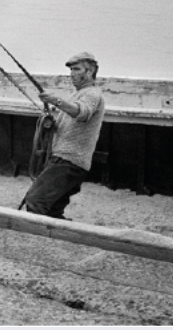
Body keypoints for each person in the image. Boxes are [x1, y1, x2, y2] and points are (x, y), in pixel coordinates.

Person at [23, 52, 106, 219]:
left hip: (68, 161)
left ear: (89, 72)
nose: (72, 74)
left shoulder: (92, 94)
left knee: (35, 201)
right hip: (67, 161)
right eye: (71, 70)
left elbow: (82, 112)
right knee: (53, 209)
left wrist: (56, 101)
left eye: (77, 69)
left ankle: (38, 239)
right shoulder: (78, 94)